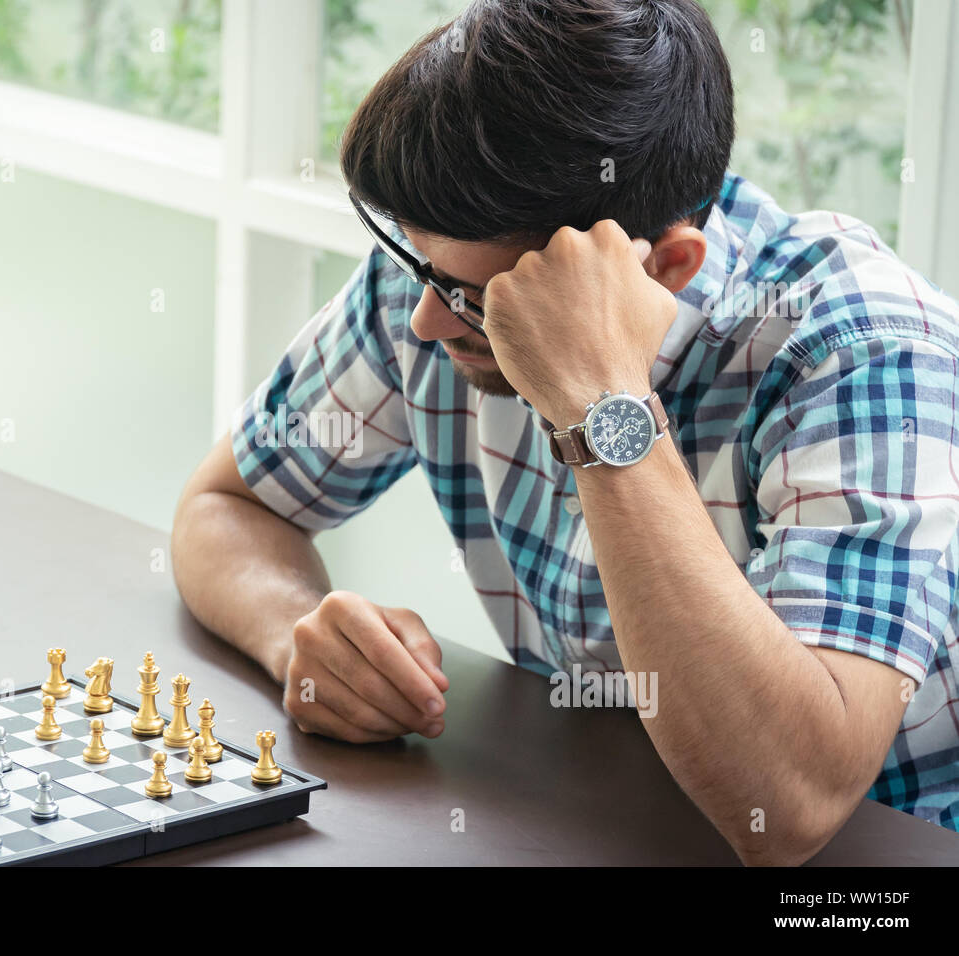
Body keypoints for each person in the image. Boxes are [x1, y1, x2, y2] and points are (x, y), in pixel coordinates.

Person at [171, 0, 959, 865]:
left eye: (482, 301)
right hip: (592, 814)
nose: (428, 321)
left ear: (664, 267)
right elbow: (227, 506)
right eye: (418, 265)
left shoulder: (865, 353)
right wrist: (296, 637)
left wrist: (602, 403)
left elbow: (791, 803)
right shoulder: (443, 278)